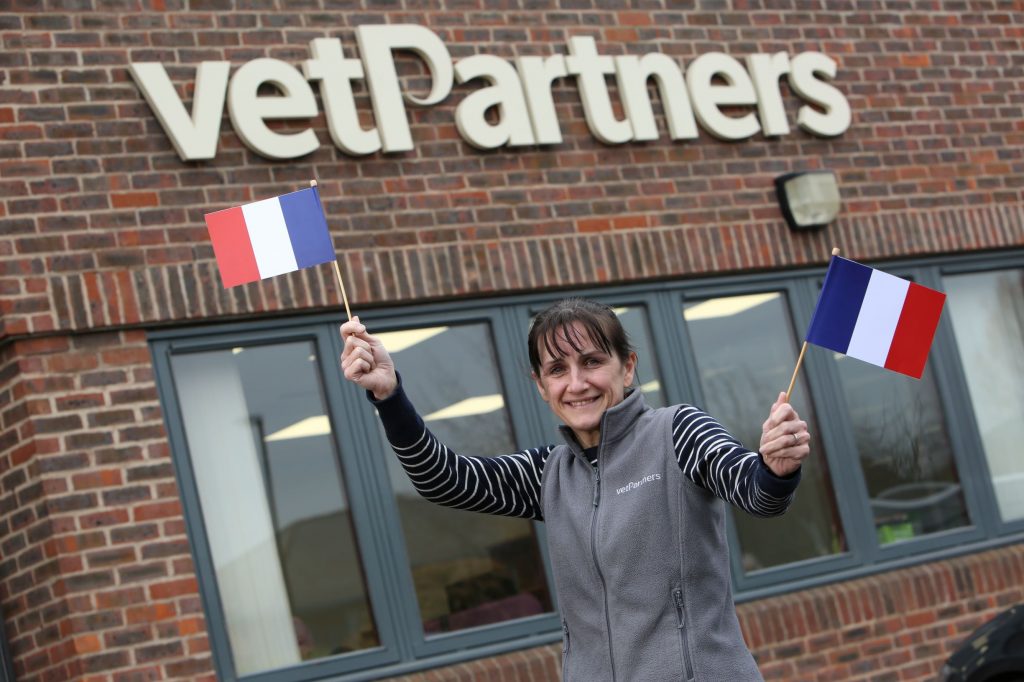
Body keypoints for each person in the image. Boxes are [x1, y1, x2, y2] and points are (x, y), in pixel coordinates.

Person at [340, 297, 809, 682]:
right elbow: (444, 479)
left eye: (592, 362)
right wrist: (389, 395)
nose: (577, 383)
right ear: (541, 386)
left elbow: (756, 491)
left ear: (627, 367)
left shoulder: (678, 432)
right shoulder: (548, 473)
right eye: (557, 369)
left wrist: (775, 469)